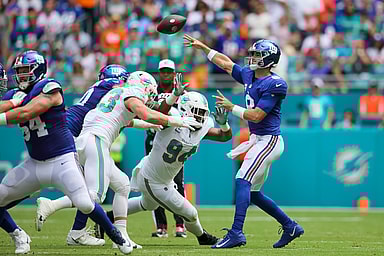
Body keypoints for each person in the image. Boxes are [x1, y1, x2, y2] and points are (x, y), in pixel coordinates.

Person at [34, 70, 198, 249]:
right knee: (94, 195)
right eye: (150, 91)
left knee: (122, 185)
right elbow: (147, 113)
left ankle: (122, 235)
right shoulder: (131, 94)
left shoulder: (116, 93)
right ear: (143, 86)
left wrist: (154, 121)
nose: (151, 96)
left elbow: (127, 119)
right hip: (96, 140)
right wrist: (178, 121)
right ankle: (51, 205)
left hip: (88, 139)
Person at [0, 51, 132, 255]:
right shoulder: (15, 94)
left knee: (86, 202)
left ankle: (117, 236)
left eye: (26, 71)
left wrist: (15, 105)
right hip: (34, 163)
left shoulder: (50, 87)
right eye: (19, 71)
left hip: (62, 160)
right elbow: (6, 105)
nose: (21, 76)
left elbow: (28, 112)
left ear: (38, 70)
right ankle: (19, 235)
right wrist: (12, 102)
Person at [184, 35, 304, 249]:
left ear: (269, 59)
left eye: (257, 55)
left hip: (269, 141)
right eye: (252, 54)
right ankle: (290, 226)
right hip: (258, 140)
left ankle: (236, 232)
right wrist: (204, 47)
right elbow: (226, 63)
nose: (252, 58)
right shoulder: (249, 74)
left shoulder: (275, 83)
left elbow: (257, 116)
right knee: (254, 194)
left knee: (242, 180)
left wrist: (232, 108)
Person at [99, 91, 232, 246]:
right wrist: (173, 96)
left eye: (203, 113)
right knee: (191, 213)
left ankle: (105, 218)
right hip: (152, 178)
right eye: (197, 112)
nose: (200, 117)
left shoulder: (202, 127)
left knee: (147, 204)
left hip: (163, 178)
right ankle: (203, 237)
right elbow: (158, 113)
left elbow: (224, 137)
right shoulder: (171, 119)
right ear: (184, 109)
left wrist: (224, 124)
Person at [35, 64, 132, 247]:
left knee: (119, 185)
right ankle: (56, 209)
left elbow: (126, 120)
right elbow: (129, 96)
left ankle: (78, 232)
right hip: (74, 134)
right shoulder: (114, 86)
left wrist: (151, 124)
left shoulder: (100, 90)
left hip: (70, 131)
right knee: (90, 192)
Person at [146, 59, 187, 238]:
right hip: (153, 138)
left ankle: (180, 224)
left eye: (169, 71)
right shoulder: (152, 91)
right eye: (163, 71)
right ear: (159, 72)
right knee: (153, 181)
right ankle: (161, 226)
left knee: (177, 182)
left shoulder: (182, 93)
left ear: (174, 72)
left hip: (173, 140)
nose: (166, 74)